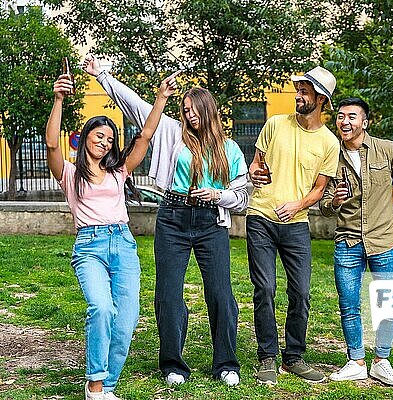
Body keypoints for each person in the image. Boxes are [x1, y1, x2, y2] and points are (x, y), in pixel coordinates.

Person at [84, 55, 248, 387]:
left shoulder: (230, 149)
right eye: (185, 109)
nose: (188, 115)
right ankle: (173, 363)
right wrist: (102, 75)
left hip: (210, 222)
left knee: (220, 293)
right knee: (169, 293)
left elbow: (243, 198)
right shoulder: (172, 132)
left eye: (193, 109)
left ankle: (226, 363)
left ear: (208, 110)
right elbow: (136, 105)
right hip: (172, 217)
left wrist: (219, 196)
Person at [47, 68, 178, 399]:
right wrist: (59, 99)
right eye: (98, 135)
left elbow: (145, 137)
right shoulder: (70, 174)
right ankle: (94, 382)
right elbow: (51, 143)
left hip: (122, 244)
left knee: (127, 319)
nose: (104, 142)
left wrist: (160, 98)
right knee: (102, 309)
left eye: (109, 139)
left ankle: (107, 387)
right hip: (89, 247)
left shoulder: (118, 172)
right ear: (85, 136)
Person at [247, 66, 340, 384]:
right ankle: (268, 357)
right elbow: (255, 165)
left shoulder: (329, 143)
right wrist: (255, 174)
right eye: (298, 90)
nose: (298, 96)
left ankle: (295, 356)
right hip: (260, 216)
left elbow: (319, 188)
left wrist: (298, 205)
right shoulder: (274, 124)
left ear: (321, 99)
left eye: (305, 92)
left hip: (296, 222)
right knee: (265, 288)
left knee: (300, 292)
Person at [319, 98, 393, 385]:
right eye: (340, 117)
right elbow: (323, 202)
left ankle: (381, 361)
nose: (345, 122)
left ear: (365, 122)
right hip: (347, 241)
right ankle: (356, 361)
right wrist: (333, 202)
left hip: (384, 239)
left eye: (352, 116)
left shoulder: (387, 150)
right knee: (349, 305)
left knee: (390, 304)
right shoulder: (330, 156)